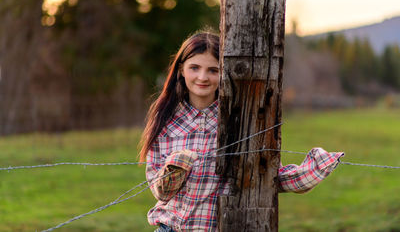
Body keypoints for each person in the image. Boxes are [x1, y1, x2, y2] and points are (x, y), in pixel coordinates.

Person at [139, 31, 344, 232]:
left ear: (224, 72)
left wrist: (312, 171)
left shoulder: (239, 120)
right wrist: (177, 166)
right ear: (181, 70)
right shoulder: (165, 121)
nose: (203, 77)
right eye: (195, 68)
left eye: (213, 70)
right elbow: (160, 192)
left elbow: (267, 176)